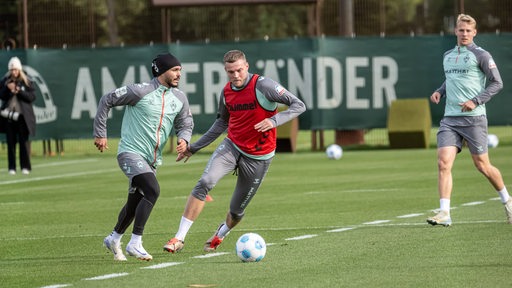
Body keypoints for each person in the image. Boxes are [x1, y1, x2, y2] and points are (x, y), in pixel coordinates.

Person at [163, 49, 306, 253]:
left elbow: (298, 105)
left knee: (236, 211)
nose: (236, 76)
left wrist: (273, 121)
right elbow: (221, 123)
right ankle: (179, 238)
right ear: (226, 71)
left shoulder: (264, 85)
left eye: (239, 70)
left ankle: (221, 233)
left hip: (259, 157)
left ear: (246, 66)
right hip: (232, 146)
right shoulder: (226, 91)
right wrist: (193, 148)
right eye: (231, 72)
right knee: (205, 182)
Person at [93, 52, 193, 261]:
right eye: (174, 70)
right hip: (130, 153)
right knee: (152, 189)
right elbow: (107, 99)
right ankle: (135, 242)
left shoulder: (179, 98)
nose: (178, 74)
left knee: (135, 202)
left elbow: (185, 123)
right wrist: (100, 132)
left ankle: (114, 238)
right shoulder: (139, 91)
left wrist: (184, 138)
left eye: (180, 71)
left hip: (151, 161)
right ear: (161, 71)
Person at [427, 14, 511, 227]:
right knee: (443, 162)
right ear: (455, 31)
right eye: (461, 30)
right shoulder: (448, 55)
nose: (464, 34)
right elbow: (453, 78)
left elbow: (497, 83)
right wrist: (440, 91)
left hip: (474, 119)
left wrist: (476, 100)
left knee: (482, 165)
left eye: (468, 31)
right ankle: (445, 212)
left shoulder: (482, 55)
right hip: (450, 119)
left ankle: (507, 200)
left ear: (474, 33)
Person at [0, 57, 36, 175]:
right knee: (11, 143)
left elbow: (31, 97)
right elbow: (2, 96)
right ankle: (12, 167)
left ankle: (25, 166)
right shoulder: (5, 81)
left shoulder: (27, 81)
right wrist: (8, 89)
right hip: (9, 117)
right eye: (12, 70)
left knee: (23, 143)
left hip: (22, 117)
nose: (14, 72)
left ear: (19, 70)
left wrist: (19, 91)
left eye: (16, 69)